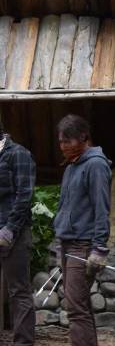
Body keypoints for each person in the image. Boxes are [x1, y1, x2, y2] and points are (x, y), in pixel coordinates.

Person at [53, 114, 111, 346]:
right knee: (80, 306)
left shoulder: (96, 164)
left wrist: (99, 249)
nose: (63, 146)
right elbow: (64, 207)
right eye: (60, 141)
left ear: (83, 138)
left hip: (83, 245)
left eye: (68, 141)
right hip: (69, 243)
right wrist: (60, 242)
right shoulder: (71, 167)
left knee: (76, 309)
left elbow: (101, 208)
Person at [0, 114, 36, 345]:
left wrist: (9, 229)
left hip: (14, 233)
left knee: (19, 290)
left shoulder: (18, 154)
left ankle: (23, 342)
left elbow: (25, 195)